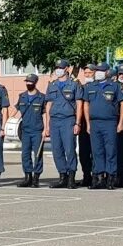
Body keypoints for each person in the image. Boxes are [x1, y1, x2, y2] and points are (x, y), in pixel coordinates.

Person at [79, 64, 120, 189]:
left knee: (110, 150)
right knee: (97, 151)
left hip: (109, 122)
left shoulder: (114, 86)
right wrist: (88, 122)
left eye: (101, 71)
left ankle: (111, 178)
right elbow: (86, 104)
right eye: (97, 70)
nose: (98, 73)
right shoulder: (90, 86)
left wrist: (121, 122)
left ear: (107, 72)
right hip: (94, 122)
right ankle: (98, 178)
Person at [45, 61, 80, 189]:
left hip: (68, 120)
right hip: (54, 121)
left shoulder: (74, 84)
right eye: (56, 67)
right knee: (56, 150)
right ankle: (62, 176)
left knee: (69, 149)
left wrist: (78, 122)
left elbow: (79, 104)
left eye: (60, 67)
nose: (58, 70)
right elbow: (48, 104)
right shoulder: (52, 85)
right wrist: (47, 125)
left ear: (67, 69)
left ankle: (71, 177)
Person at [16, 74, 47, 187]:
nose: (28, 84)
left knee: (37, 154)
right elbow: (18, 111)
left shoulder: (41, 97)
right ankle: (27, 177)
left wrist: (46, 129)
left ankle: (36, 178)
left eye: (30, 82)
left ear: (35, 83)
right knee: (25, 154)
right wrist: (10, 122)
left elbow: (44, 114)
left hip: (37, 130)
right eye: (27, 82)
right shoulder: (22, 96)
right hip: (25, 130)